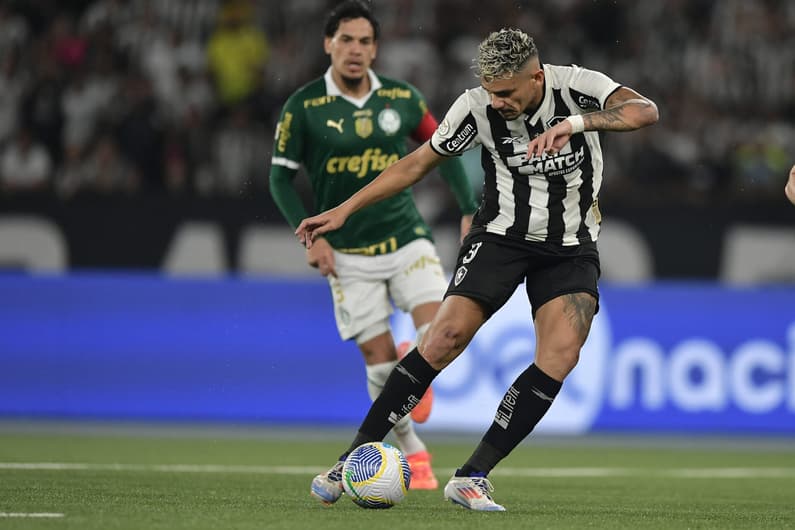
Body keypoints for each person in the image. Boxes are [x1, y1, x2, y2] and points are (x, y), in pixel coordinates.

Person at [296, 28, 659, 511]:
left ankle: (472, 476)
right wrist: (345, 210)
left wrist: (575, 125)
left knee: (561, 355)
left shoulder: (578, 85)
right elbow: (416, 164)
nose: (498, 101)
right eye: (491, 90)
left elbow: (644, 111)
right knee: (442, 338)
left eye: (506, 92)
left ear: (536, 76)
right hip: (500, 238)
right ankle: (350, 459)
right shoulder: (475, 108)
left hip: (571, 247)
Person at [268, 0, 478, 495]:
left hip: (407, 238)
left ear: (376, 48)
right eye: (346, 40)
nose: (355, 50)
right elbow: (280, 180)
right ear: (328, 44)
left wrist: (469, 206)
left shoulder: (402, 99)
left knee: (442, 330)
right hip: (347, 254)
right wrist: (310, 237)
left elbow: (444, 150)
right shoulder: (304, 107)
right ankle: (413, 448)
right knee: (383, 366)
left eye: (365, 41)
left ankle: (417, 361)